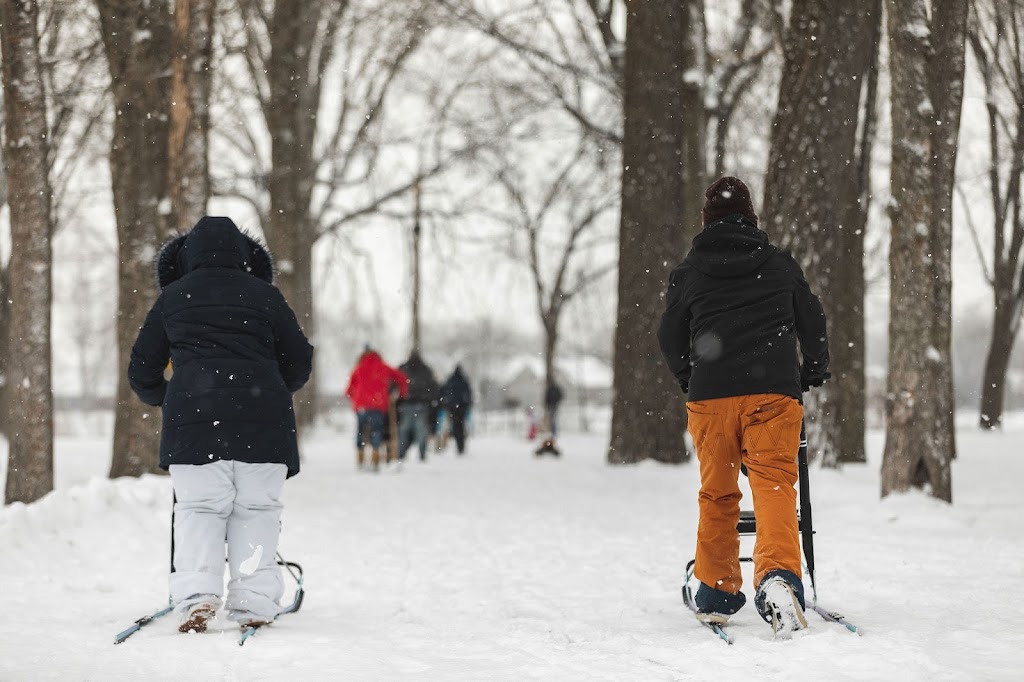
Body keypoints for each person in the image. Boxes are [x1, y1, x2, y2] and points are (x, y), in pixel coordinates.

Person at [657, 176, 830, 635]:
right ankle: (776, 579)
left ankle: (715, 589)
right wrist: (813, 369)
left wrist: (689, 379)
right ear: (752, 218)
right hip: (773, 393)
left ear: (705, 220)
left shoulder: (690, 271)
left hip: (710, 397)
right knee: (774, 488)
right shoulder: (778, 264)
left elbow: (668, 335)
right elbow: (812, 320)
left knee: (717, 493)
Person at [128, 216, 314, 634]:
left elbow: (142, 369)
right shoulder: (266, 297)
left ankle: (197, 597)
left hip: (194, 426)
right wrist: (267, 392)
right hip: (264, 427)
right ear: (246, 256)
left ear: (187, 257)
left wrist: (170, 398)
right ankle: (252, 602)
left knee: (198, 511)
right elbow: (299, 361)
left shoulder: (173, 298)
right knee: (257, 511)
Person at [345, 347, 408, 471]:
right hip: (378, 405)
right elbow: (402, 378)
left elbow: (348, 391)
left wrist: (355, 398)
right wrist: (401, 394)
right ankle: (375, 457)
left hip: (361, 405)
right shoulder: (383, 366)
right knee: (376, 431)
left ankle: (360, 457)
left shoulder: (358, 368)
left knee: (360, 431)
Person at [397, 350, 440, 462]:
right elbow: (433, 387)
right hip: (420, 404)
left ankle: (401, 453)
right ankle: (421, 454)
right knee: (421, 431)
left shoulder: (403, 368)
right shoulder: (426, 370)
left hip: (407, 404)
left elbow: (394, 383)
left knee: (404, 430)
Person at [440, 365, 473, 455]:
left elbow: (443, 392)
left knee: (455, 426)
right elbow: (468, 393)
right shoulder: (464, 380)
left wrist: (445, 404)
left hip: (452, 408)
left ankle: (457, 443)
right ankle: (461, 445)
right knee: (461, 426)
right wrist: (468, 404)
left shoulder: (450, 380)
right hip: (461, 408)